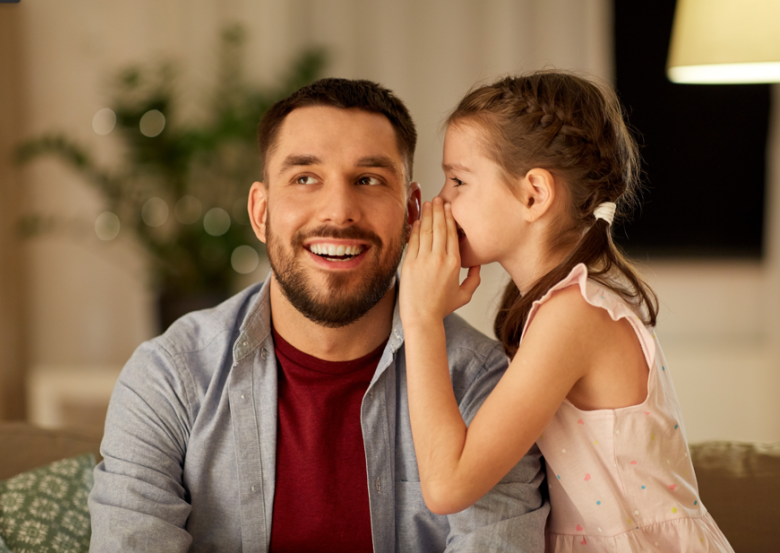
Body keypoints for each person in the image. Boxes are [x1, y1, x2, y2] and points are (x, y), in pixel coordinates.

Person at [88, 78, 548, 552]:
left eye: (369, 180)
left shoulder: (484, 385)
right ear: (261, 211)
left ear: (412, 212)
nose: (339, 210)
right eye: (305, 178)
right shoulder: (168, 377)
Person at [400, 72, 734, 552]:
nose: (440, 201)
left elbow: (448, 485)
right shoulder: (560, 305)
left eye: (458, 180)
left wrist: (421, 318)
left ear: (534, 194)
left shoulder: (572, 315)